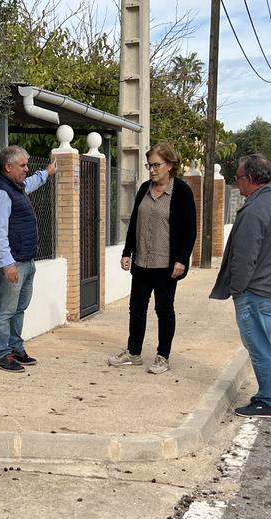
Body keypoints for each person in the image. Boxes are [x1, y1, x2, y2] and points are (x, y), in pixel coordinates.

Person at [210, 153, 271, 418]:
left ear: (250, 179)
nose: (236, 185)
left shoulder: (254, 210)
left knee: (259, 347)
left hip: (258, 292)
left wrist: (237, 289)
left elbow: (245, 257)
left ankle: (269, 401)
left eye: (237, 179)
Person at [107, 143, 197, 374]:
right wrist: (127, 252)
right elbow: (134, 222)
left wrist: (181, 259)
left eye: (157, 165)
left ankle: (162, 356)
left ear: (170, 165)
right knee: (136, 308)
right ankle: (133, 352)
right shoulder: (145, 188)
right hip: (142, 262)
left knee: (164, 309)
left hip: (166, 265)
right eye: (150, 165)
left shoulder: (182, 192)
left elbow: (189, 230)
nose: (152, 170)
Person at [0, 146, 57, 372]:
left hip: (25, 261)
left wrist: (47, 173)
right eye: (23, 165)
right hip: (12, 264)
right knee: (6, 310)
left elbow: (30, 184)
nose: (27, 169)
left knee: (19, 308)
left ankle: (16, 348)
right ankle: (3, 354)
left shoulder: (15, 187)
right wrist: (8, 264)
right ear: (9, 167)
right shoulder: (0, 193)